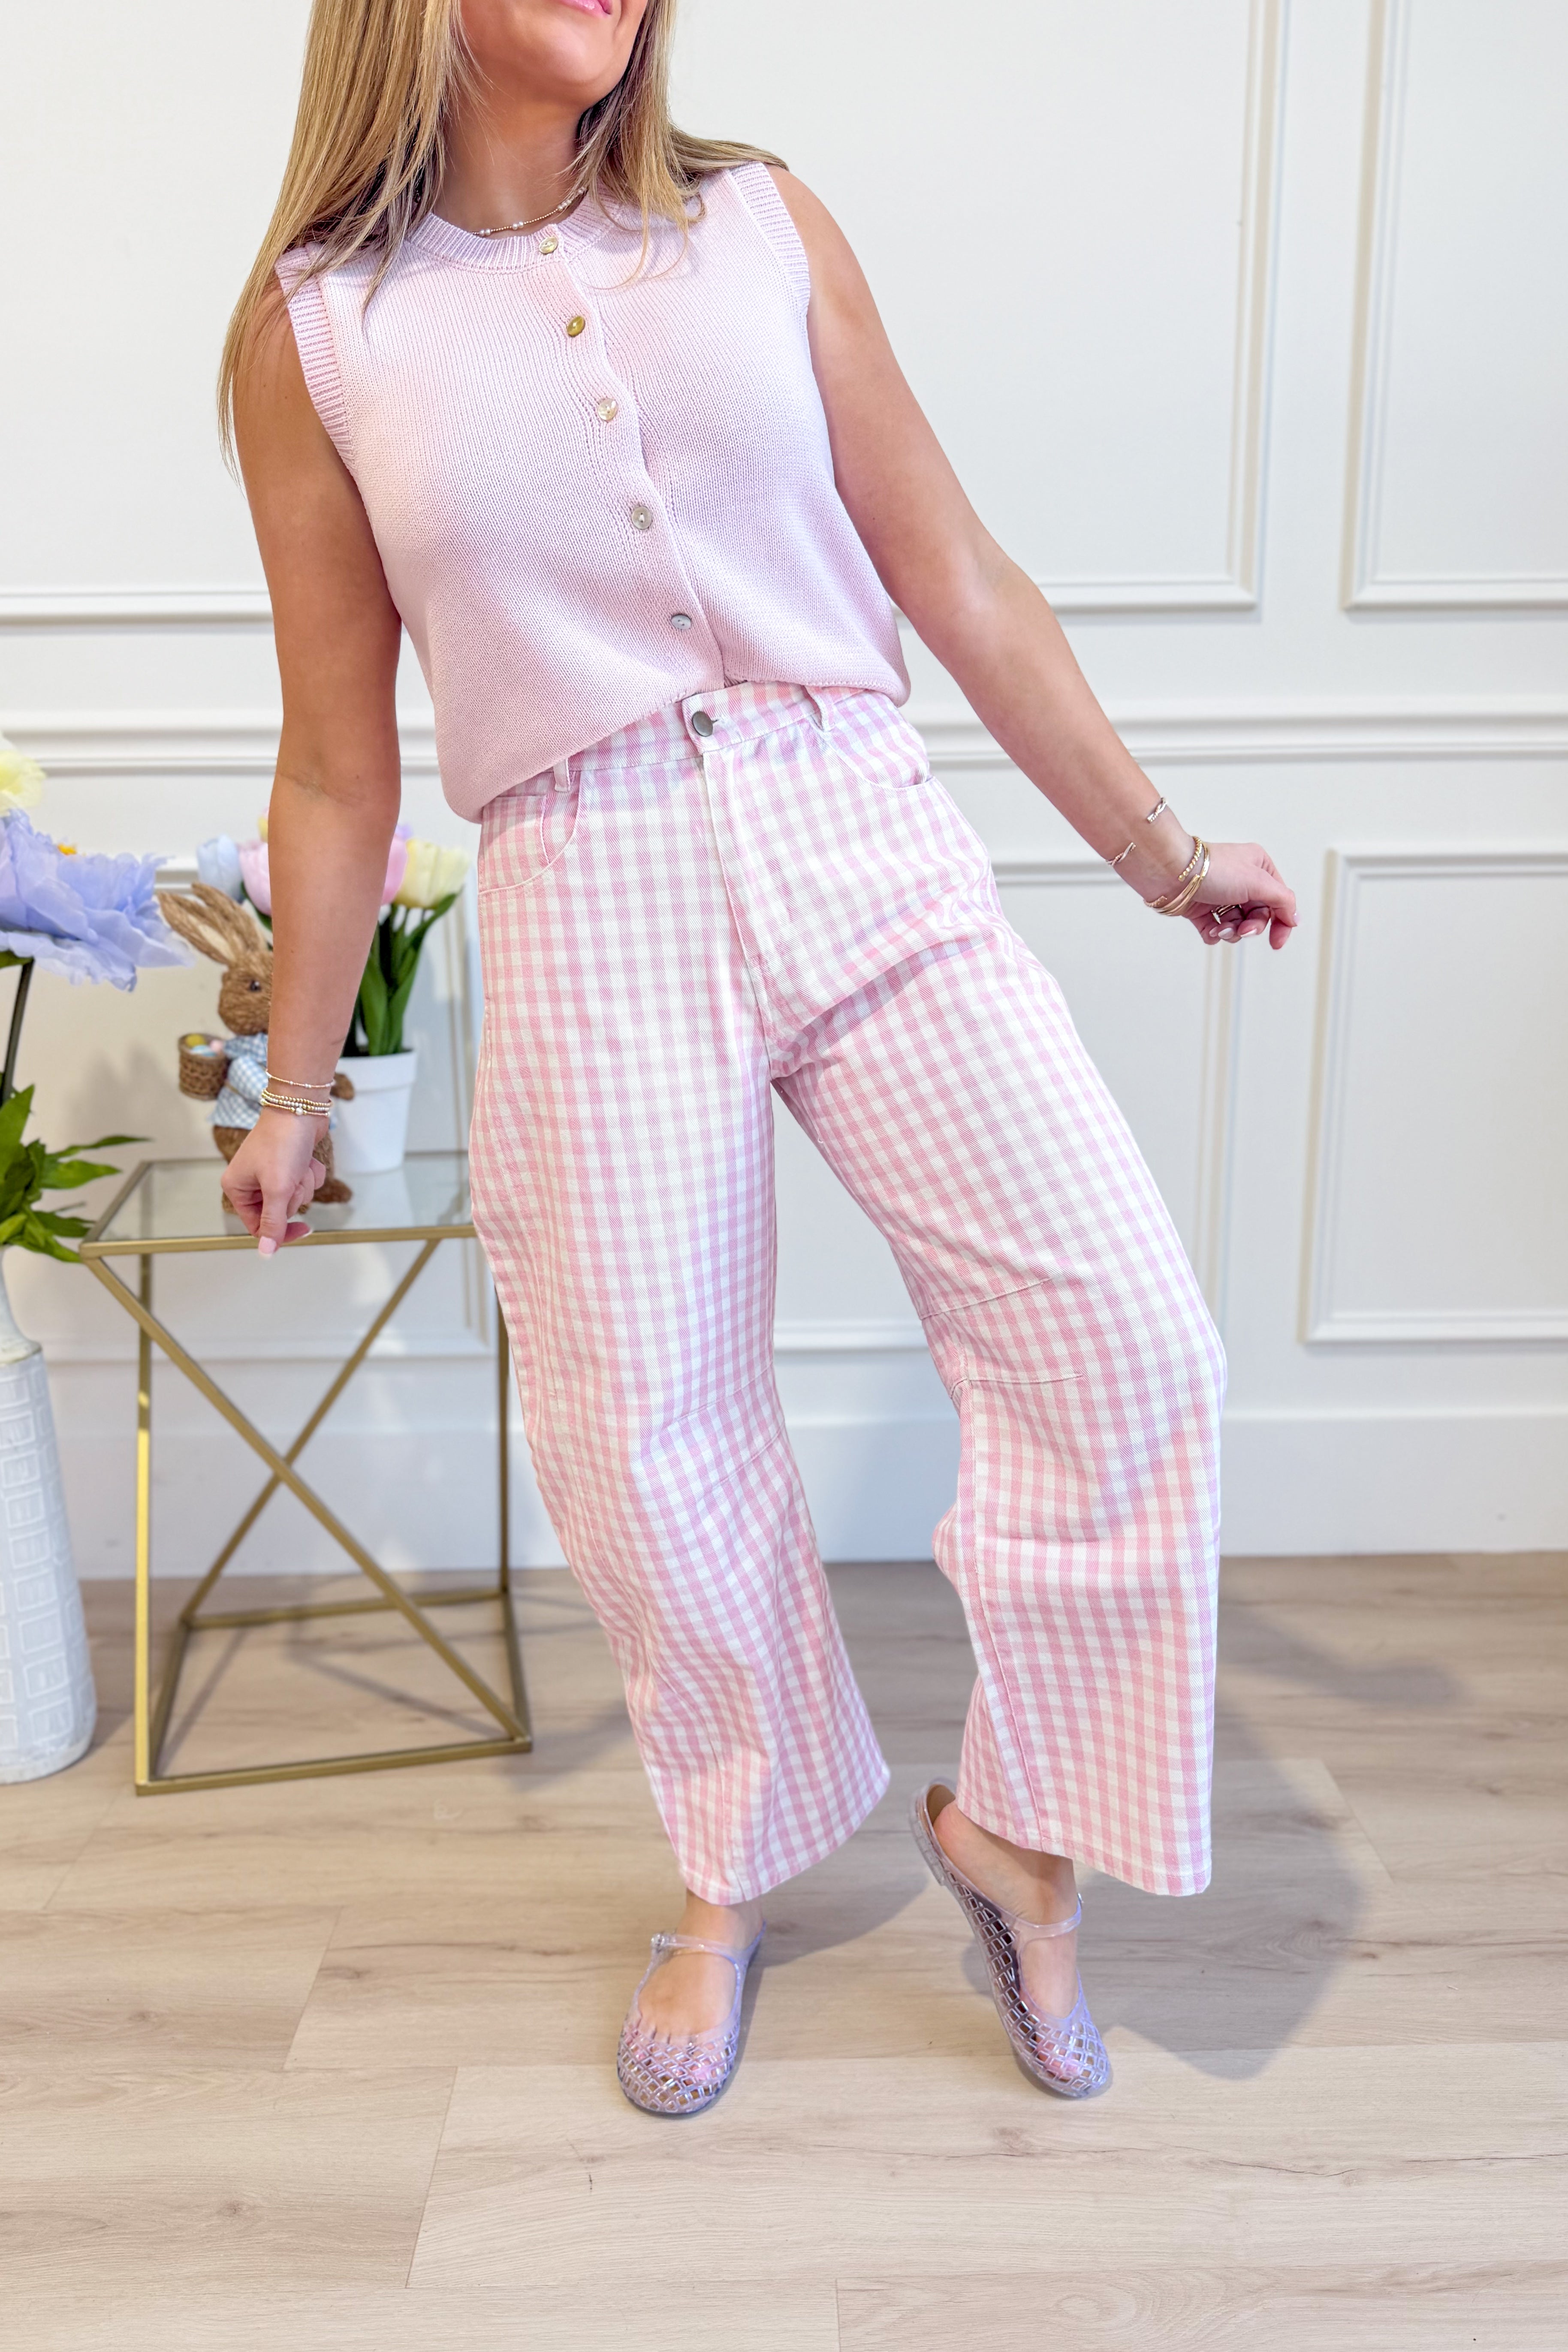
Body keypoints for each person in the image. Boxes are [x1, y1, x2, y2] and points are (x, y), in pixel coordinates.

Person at [219, 0, 1297, 2114]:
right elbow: (337, 768)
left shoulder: (759, 221)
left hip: (853, 819)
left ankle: (1018, 1836)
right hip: (583, 871)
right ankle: (725, 1873)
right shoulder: (319, 333)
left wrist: (1159, 853)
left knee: (1125, 1342)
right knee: (648, 1432)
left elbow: (953, 572)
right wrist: (292, 1089)